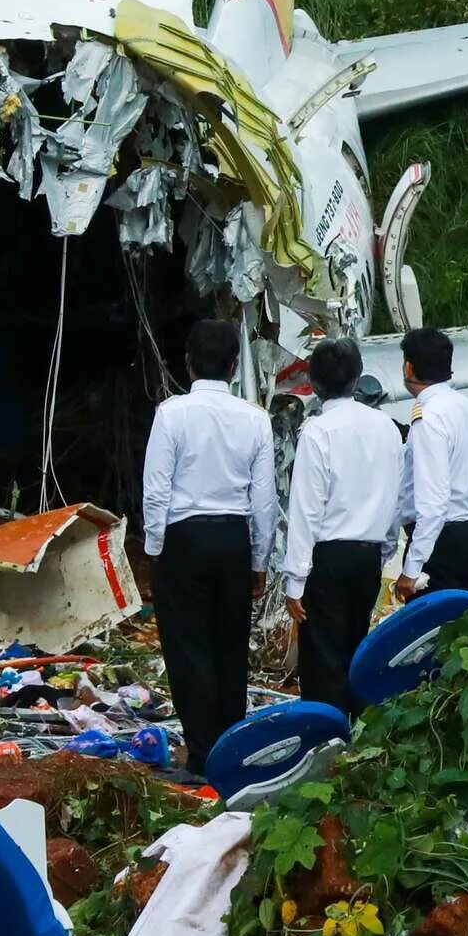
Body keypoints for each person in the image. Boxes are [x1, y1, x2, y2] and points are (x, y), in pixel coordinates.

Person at [141, 319, 276, 773]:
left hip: (184, 536)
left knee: (188, 644)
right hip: (233, 536)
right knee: (230, 642)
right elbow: (264, 500)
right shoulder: (256, 420)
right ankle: (231, 748)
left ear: (187, 362)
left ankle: (201, 753)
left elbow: (156, 490)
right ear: (235, 366)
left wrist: (156, 547)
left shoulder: (171, 414)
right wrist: (259, 558)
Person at [283, 338, 403, 716]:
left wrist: (295, 579)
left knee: (322, 659)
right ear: (356, 378)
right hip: (368, 553)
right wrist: (385, 549)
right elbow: (394, 495)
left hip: (329, 554)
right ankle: (357, 739)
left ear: (314, 382)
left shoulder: (318, 431)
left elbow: (306, 509)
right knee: (356, 648)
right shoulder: (386, 426)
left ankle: (325, 740)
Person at [393, 327, 468, 600]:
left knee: (429, 633)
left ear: (409, 368)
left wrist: (412, 568)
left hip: (440, 543)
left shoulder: (429, 417)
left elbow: (433, 503)